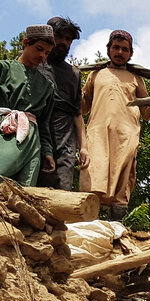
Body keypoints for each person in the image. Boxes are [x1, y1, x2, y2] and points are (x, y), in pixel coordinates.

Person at [80, 29, 150, 219]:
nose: (120, 52)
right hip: (98, 136)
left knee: (121, 185)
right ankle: (89, 226)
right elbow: (82, 107)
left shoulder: (136, 78)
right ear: (109, 50)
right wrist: (71, 83)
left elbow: (146, 112)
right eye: (116, 48)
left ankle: (116, 228)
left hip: (126, 138)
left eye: (124, 49)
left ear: (130, 54)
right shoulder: (96, 74)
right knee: (93, 179)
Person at [0, 25, 56, 185]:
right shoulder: (4, 69)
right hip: (4, 133)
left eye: (47, 53)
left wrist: (47, 152)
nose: (42, 56)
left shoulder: (47, 86)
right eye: (39, 49)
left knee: (23, 194)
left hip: (32, 142)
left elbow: (44, 124)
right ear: (26, 43)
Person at [36, 17, 87, 191]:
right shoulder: (35, 63)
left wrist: (84, 148)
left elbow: (78, 113)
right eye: (60, 36)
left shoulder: (74, 74)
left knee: (62, 186)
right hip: (36, 128)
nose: (64, 42)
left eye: (68, 39)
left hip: (65, 136)